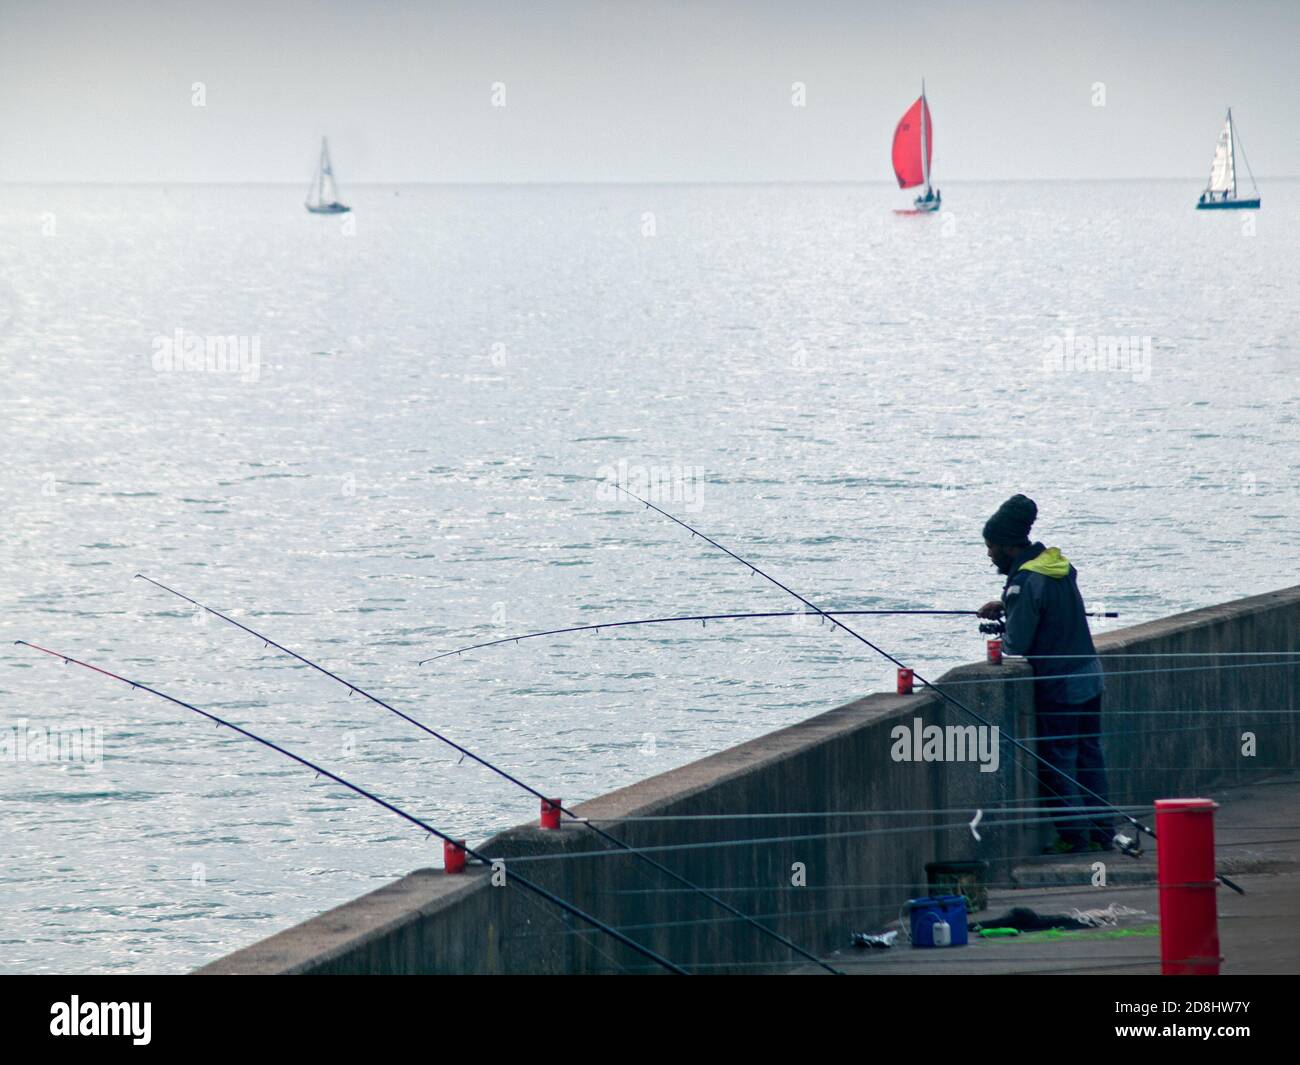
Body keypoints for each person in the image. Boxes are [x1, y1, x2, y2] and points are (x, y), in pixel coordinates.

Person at [976, 495, 1111, 854]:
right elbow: (1046, 606)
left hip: (1061, 685)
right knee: (1090, 755)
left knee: (1059, 761)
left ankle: (1073, 838)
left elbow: (1016, 644)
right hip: (1090, 675)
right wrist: (1007, 604)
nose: (989, 555)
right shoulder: (1057, 566)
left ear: (1006, 546)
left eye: (990, 548)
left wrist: (1004, 625)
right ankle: (1102, 832)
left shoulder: (1023, 582)